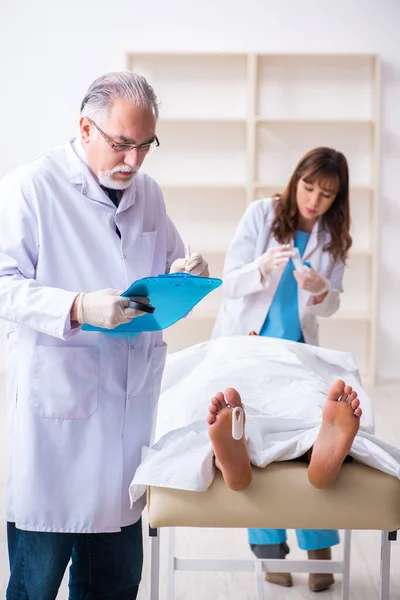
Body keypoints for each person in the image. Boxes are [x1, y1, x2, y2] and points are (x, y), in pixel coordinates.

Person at [0, 71, 209, 600]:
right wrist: (75, 306)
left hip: (126, 418)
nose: (133, 161)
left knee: (116, 583)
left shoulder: (149, 195)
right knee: (36, 583)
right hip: (58, 419)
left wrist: (185, 272)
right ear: (85, 128)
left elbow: (162, 272)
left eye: (145, 146)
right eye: (121, 144)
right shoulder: (33, 186)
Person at [212, 147, 352, 591]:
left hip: (296, 352)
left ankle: (318, 547)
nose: (314, 200)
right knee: (254, 443)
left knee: (312, 444)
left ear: (337, 198)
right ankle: (270, 552)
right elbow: (227, 283)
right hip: (250, 348)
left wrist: (320, 287)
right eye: (308, 187)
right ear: (296, 181)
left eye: (326, 194)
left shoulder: (334, 237)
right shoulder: (262, 215)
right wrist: (261, 266)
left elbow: (331, 306)